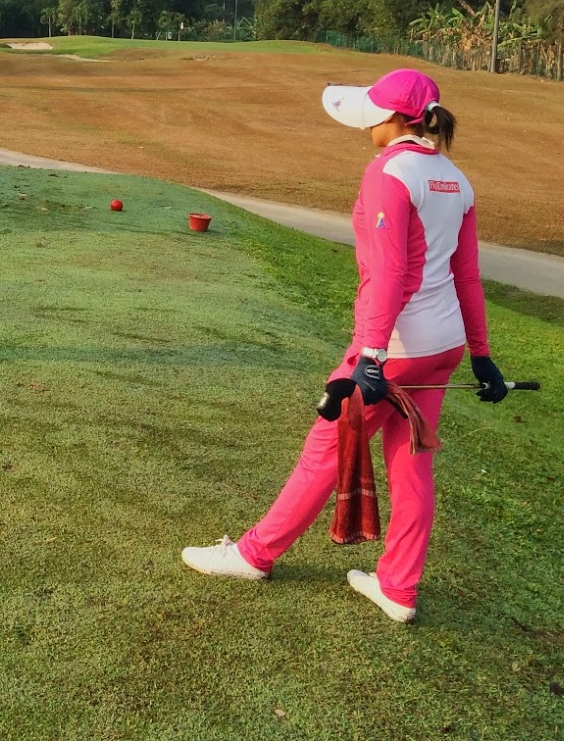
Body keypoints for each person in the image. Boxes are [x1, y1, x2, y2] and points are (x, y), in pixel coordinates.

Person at [181, 68, 508, 623]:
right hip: (443, 346)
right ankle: (398, 587)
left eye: (373, 114)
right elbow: (468, 276)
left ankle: (254, 555)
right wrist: (481, 355)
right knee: (412, 463)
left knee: (325, 451)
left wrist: (371, 357)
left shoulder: (389, 172)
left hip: (394, 349)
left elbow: (390, 272)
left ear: (393, 118)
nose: (367, 126)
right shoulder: (455, 178)